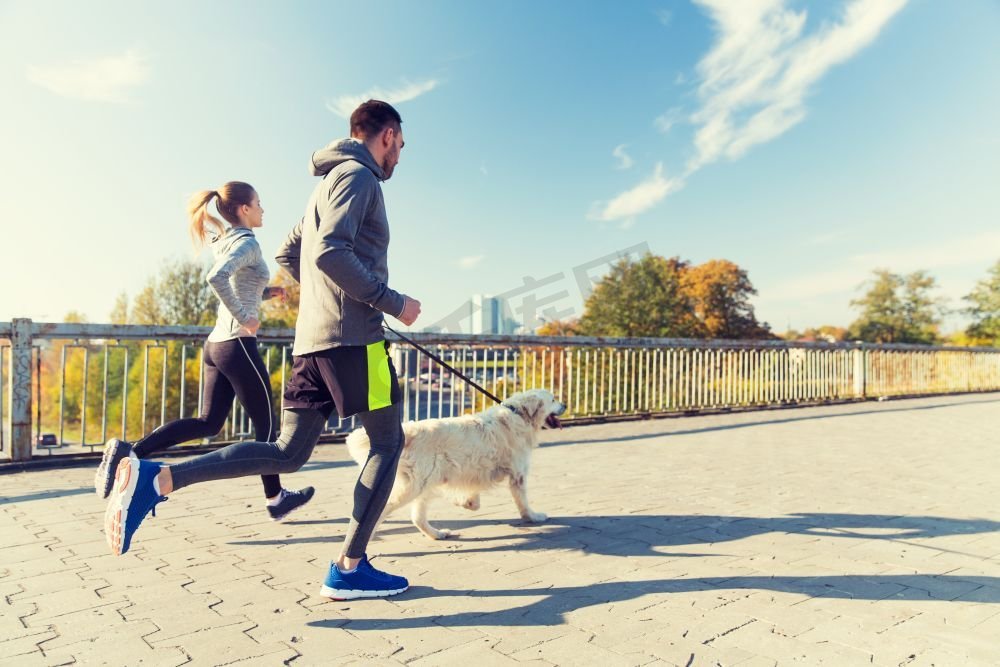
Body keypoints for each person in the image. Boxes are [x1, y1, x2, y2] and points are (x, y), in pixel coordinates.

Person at [104, 100, 421, 602]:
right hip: (355, 342)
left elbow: (290, 254)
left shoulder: (325, 185)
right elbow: (330, 253)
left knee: (287, 454)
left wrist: (323, 298)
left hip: (313, 341)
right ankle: (349, 567)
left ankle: (157, 478)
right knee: (386, 444)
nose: (399, 156)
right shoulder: (360, 178)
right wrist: (390, 302)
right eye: (400, 146)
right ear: (386, 135)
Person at [94, 182, 315, 521]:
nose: (263, 209)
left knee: (209, 422)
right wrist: (246, 318)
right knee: (268, 429)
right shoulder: (246, 242)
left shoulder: (225, 239)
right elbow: (218, 277)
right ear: (243, 209)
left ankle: (130, 451)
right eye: (258, 203)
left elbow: (238, 283)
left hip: (217, 345)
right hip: (237, 343)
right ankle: (275, 499)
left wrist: (268, 293)